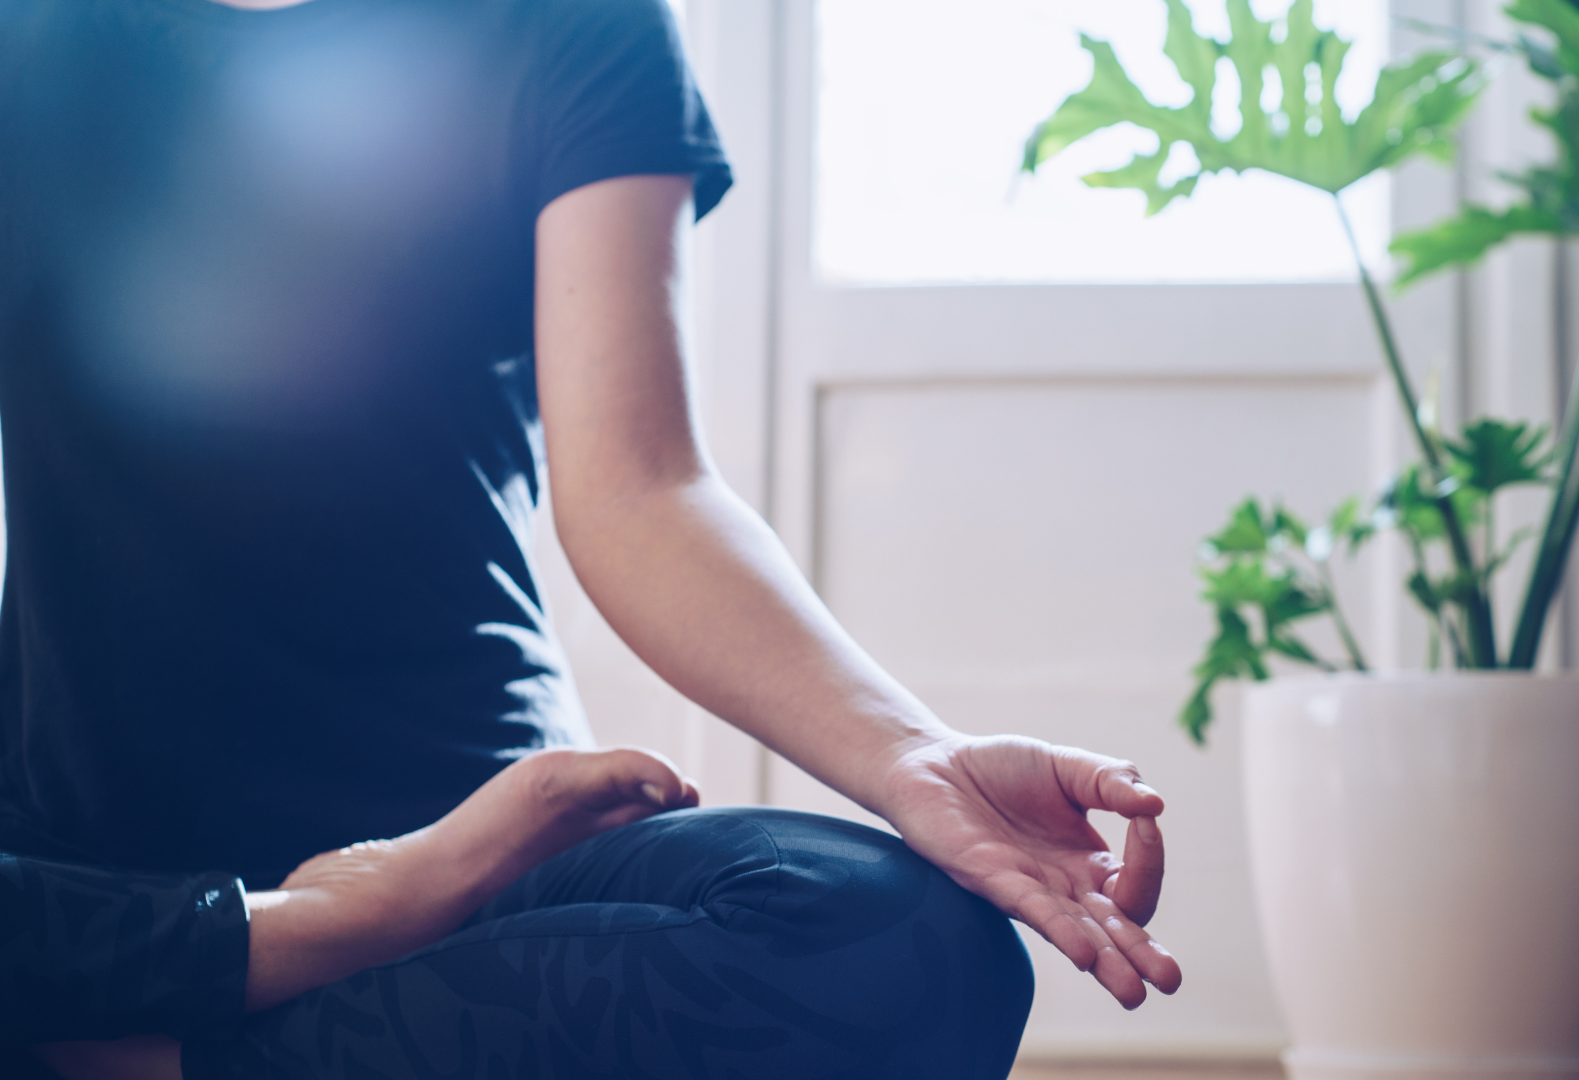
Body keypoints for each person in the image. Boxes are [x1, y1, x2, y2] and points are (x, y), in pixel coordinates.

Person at [0, 0, 1183, 1076]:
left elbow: (643, 484)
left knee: (903, 943)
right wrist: (301, 926)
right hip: (86, 878)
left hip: (478, 848)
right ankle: (223, 983)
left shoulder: (577, 19)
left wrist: (910, 755)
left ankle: (137, 1054)